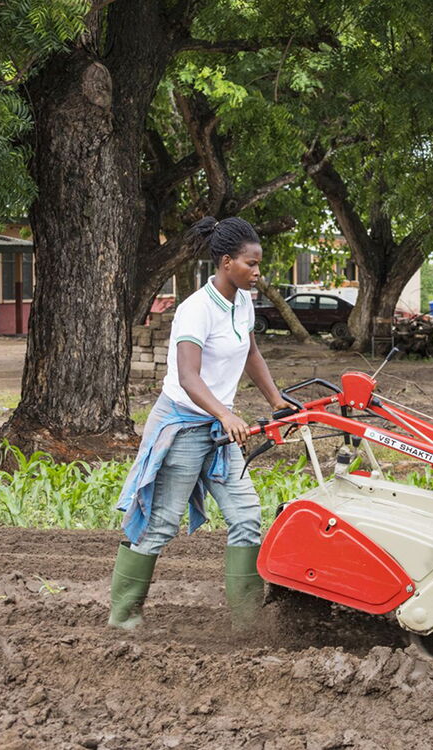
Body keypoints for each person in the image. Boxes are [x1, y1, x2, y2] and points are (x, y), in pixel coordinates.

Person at [109, 217, 293, 630]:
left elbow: (250, 354)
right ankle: (123, 617)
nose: (258, 272)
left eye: (259, 263)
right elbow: (189, 377)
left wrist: (278, 402)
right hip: (185, 426)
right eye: (251, 263)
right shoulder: (195, 310)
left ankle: (247, 624)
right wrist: (225, 413)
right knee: (161, 524)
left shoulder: (242, 302)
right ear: (227, 262)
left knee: (246, 518)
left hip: (218, 431)